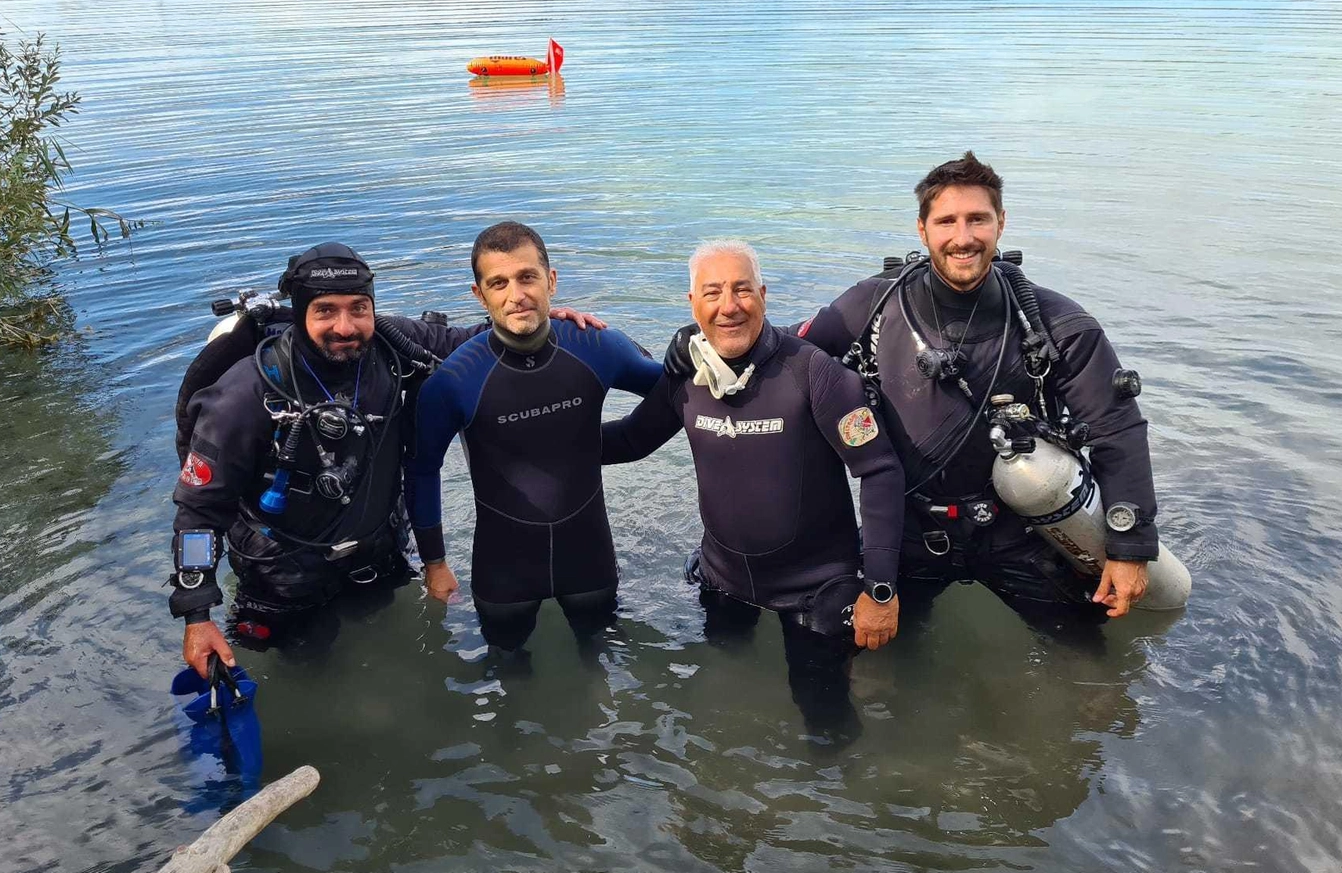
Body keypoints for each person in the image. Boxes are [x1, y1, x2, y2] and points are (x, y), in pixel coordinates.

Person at [170, 241, 603, 677]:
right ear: (301, 313)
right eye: (325, 311)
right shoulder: (247, 394)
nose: (346, 326)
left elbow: (471, 341)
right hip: (282, 573)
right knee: (305, 670)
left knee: (390, 657)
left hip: (376, 555)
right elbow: (198, 510)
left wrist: (541, 318)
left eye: (359, 308)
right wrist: (197, 615)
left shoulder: (391, 346)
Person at [792, 151, 1159, 635]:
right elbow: (787, 359)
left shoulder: (1056, 325)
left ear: (1001, 224)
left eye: (977, 220)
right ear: (922, 230)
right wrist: (706, 337)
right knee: (858, 655)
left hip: (1024, 531)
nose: (962, 238)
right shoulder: (870, 306)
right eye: (946, 221)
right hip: (908, 533)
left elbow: (1116, 428)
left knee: (1089, 668)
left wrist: (1129, 546)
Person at [601, 239, 906, 740]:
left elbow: (879, 471)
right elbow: (633, 439)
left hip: (817, 588)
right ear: (692, 303)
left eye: (742, 290)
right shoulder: (688, 376)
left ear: (763, 294)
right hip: (725, 580)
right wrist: (549, 440)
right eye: (713, 292)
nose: (728, 306)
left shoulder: (814, 373)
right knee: (723, 675)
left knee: (825, 721)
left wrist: (880, 590)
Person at [405, 221, 663, 654]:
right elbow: (422, 470)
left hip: (590, 563)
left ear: (552, 280)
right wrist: (435, 563)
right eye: (498, 283)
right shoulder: (455, 380)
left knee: (599, 666)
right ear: (479, 295)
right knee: (509, 680)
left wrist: (615, 443)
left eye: (527, 277)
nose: (516, 294)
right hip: (504, 574)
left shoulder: (595, 346)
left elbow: (675, 391)